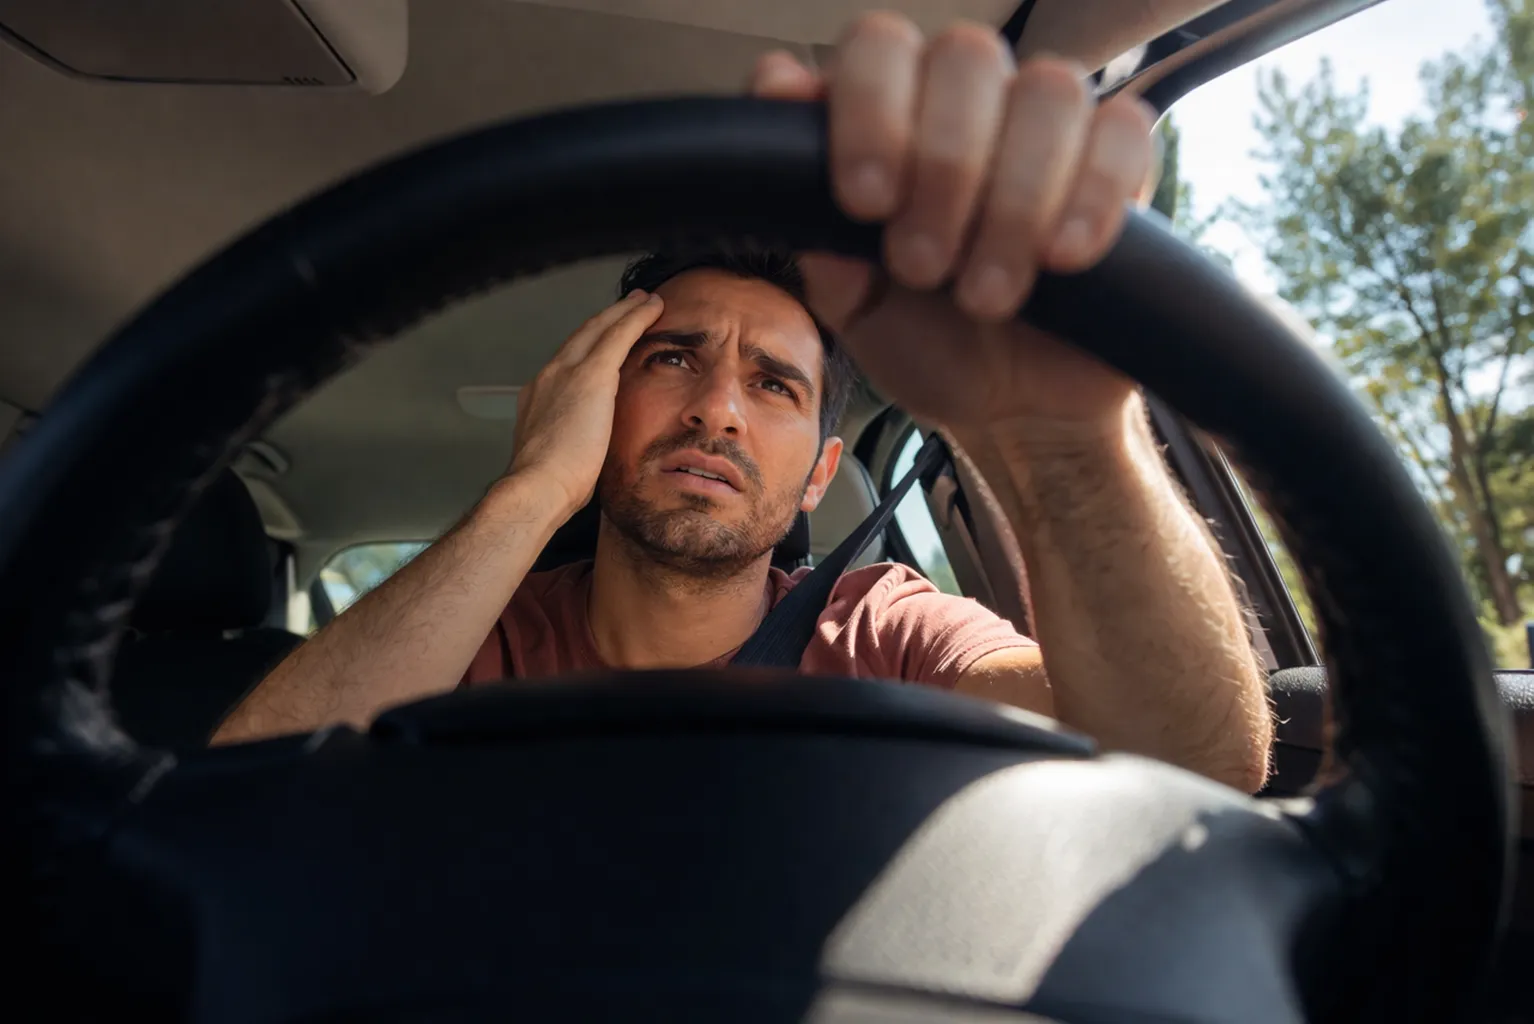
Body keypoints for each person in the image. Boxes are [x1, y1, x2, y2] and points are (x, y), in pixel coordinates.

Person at [214, 13, 1273, 793]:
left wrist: (1067, 443)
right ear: (595, 402)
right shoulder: (478, 639)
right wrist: (532, 486)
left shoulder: (881, 631)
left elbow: (1191, 763)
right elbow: (247, 791)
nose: (719, 408)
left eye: (774, 384)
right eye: (672, 358)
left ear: (821, 468)